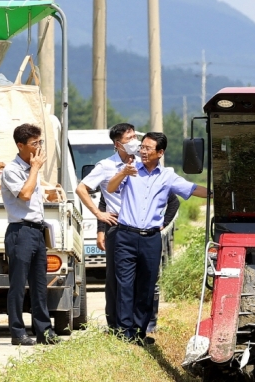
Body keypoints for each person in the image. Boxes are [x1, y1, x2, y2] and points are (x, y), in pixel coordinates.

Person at [107, 132, 208, 345]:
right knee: (125, 284)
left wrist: (222, 193)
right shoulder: (129, 169)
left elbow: (192, 189)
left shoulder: (167, 176)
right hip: (125, 235)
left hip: (151, 239)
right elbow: (111, 187)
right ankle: (125, 331)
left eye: (148, 148)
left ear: (160, 153)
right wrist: (123, 172)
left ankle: (139, 331)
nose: (143, 151)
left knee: (147, 285)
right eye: (142, 147)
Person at [75, 123, 139, 330]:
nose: (134, 142)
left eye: (135, 136)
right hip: (118, 227)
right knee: (117, 279)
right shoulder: (106, 166)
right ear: (118, 144)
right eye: (129, 139)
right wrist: (98, 214)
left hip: (141, 227)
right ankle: (116, 325)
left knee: (141, 278)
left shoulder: (143, 163)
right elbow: (81, 188)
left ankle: (138, 324)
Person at [1, 124, 59, 346]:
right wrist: (35, 168)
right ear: (20, 145)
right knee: (18, 285)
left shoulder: (32, 171)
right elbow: (24, 195)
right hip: (20, 231)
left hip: (36, 230)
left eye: (40, 142)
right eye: (34, 143)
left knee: (39, 283)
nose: (39, 148)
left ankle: (44, 331)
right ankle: (18, 332)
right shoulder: (12, 170)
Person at [95, 186, 180, 333]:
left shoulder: (150, 179)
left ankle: (144, 325)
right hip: (116, 230)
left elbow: (173, 201)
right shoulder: (117, 176)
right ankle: (116, 326)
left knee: (145, 280)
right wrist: (101, 230)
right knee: (115, 280)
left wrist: (163, 223)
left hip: (144, 234)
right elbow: (104, 203)